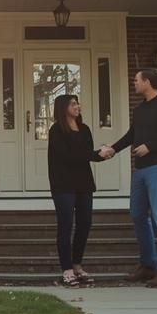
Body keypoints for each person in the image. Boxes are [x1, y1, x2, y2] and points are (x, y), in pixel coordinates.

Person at [99, 68, 157, 287]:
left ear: (147, 82)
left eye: (136, 80)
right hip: (140, 170)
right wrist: (113, 149)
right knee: (137, 214)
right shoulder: (139, 110)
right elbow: (132, 135)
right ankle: (148, 265)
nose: (133, 83)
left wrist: (151, 147)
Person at [47, 94, 101, 287]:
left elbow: (87, 153)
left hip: (84, 183)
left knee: (85, 223)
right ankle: (67, 269)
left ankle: (77, 265)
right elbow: (68, 156)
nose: (77, 106)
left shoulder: (84, 129)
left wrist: (100, 155)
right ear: (63, 108)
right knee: (66, 225)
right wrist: (95, 155)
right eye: (73, 104)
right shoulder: (56, 131)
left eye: (78, 103)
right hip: (63, 184)